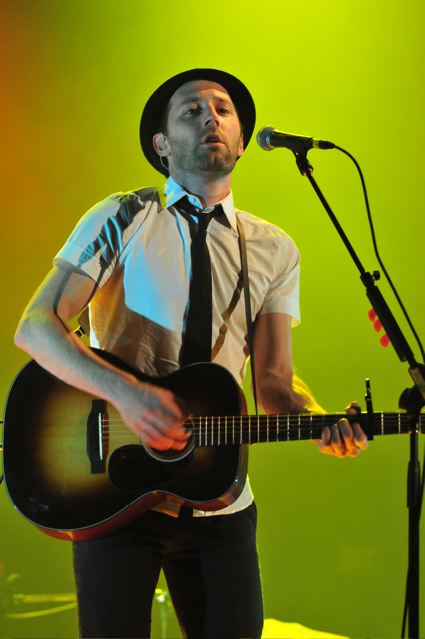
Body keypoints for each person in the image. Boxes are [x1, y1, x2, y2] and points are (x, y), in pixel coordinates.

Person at [14, 68, 368, 639]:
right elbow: (35, 328)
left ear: (243, 141)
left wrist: (316, 420)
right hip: (116, 489)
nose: (211, 118)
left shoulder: (274, 248)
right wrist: (129, 395)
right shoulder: (123, 215)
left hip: (218, 499)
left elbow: (274, 386)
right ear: (161, 145)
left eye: (223, 110)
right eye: (191, 110)